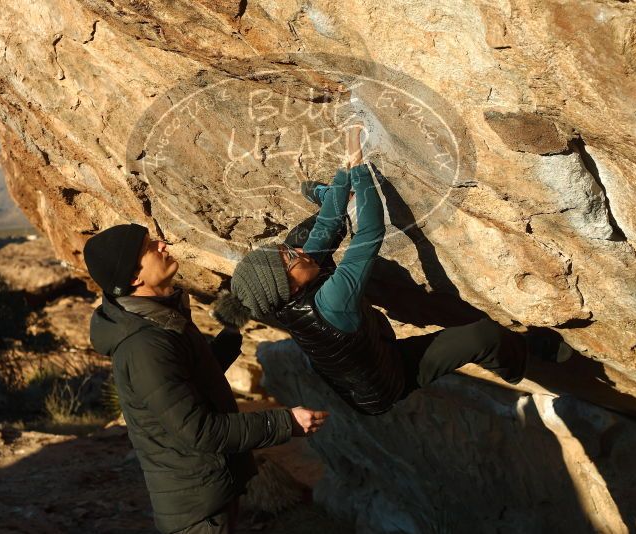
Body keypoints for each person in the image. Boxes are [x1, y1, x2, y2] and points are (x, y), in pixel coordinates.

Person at [213, 124, 572, 415]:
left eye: (285, 252)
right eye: (290, 261)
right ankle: (523, 357)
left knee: (312, 233)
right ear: (288, 289)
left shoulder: (292, 280)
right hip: (386, 382)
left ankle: (332, 194)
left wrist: (347, 164)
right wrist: (362, 171)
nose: (297, 255)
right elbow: (371, 231)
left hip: (363, 349)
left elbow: (322, 231)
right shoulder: (332, 305)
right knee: (481, 337)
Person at [83, 223, 328, 534]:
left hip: (211, 489)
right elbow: (200, 430)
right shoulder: (143, 345)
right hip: (197, 511)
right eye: (149, 247)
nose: (162, 244)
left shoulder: (158, 317)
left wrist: (234, 321)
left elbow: (198, 373)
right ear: (134, 277)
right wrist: (285, 424)